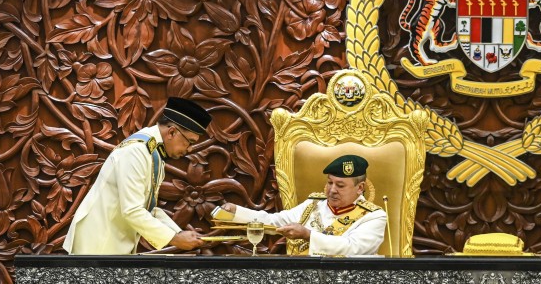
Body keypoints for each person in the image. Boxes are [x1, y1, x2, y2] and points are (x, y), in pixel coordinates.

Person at [64, 97, 211, 255]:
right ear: (172, 132)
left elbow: (147, 209)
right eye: (189, 141)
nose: (189, 149)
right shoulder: (136, 151)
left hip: (110, 243)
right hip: (98, 244)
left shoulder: (153, 151)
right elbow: (132, 211)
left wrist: (179, 234)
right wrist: (175, 239)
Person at [220, 154, 387, 256]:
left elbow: (352, 248)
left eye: (340, 185)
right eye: (330, 183)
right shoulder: (314, 205)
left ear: (360, 188)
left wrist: (308, 235)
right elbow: (275, 221)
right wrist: (237, 212)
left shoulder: (374, 216)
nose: (332, 190)